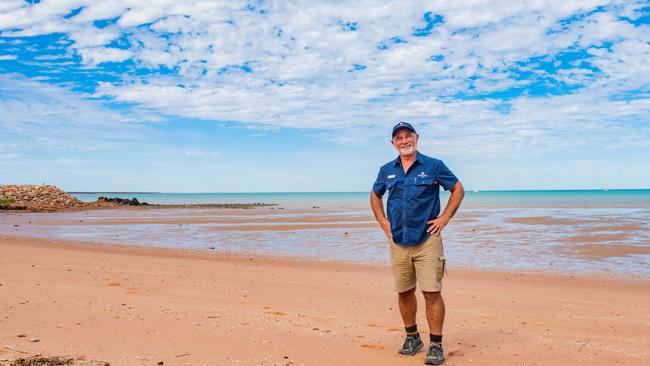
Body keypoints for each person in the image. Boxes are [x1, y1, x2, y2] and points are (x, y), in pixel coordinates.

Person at [370, 121, 464, 365]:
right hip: (398, 240)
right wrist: (382, 220)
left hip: (427, 241)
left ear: (417, 138)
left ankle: (435, 344)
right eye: (399, 138)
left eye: (408, 136)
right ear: (393, 143)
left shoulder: (434, 165)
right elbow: (375, 194)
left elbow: (457, 189)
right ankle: (412, 338)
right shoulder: (386, 170)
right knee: (404, 292)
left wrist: (444, 218)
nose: (404, 141)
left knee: (432, 293)